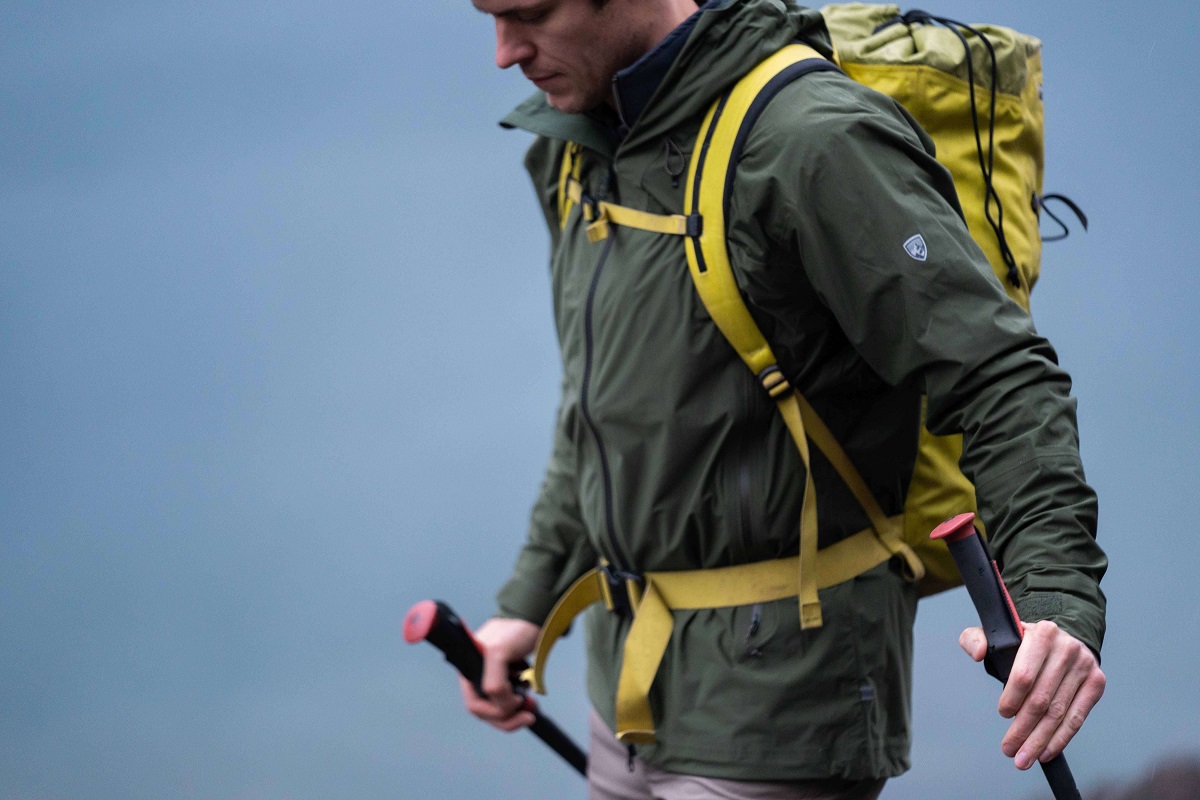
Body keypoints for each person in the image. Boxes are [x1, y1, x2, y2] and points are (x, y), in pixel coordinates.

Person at [459, 0, 1108, 797]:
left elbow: (998, 374)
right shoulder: (577, 145)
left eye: (528, 13)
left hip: (783, 718)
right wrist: (528, 603)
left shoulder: (810, 139)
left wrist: (1056, 603)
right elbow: (600, 406)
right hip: (625, 696)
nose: (503, 52)